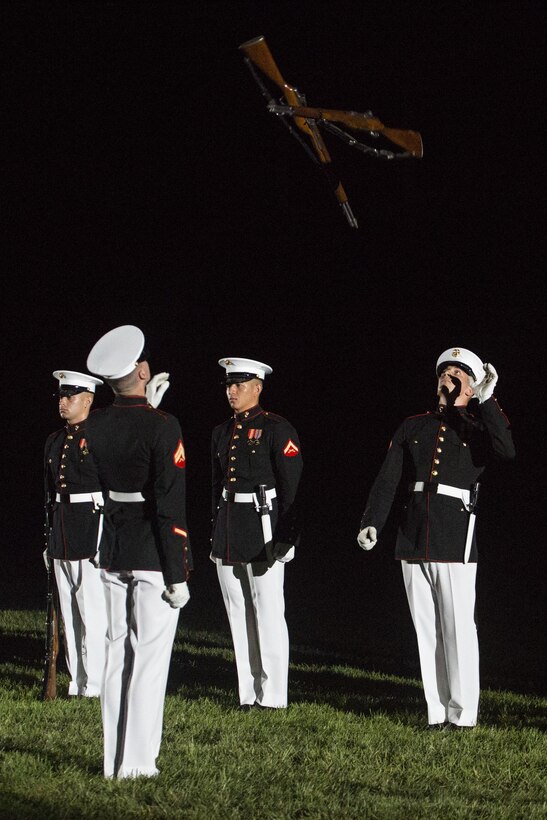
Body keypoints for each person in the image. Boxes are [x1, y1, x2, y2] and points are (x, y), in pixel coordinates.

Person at [357, 347, 515, 729]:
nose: (447, 377)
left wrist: (487, 401)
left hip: (454, 535)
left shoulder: (477, 429)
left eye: (457, 374)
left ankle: (462, 715)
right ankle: (437, 712)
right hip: (413, 534)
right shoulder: (413, 426)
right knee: (426, 631)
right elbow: (388, 477)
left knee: (457, 629)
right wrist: (372, 521)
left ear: (470, 387)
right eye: (444, 372)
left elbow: (506, 451)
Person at [85, 325, 192, 778]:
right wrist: (178, 572)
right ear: (143, 371)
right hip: (153, 552)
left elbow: (113, 469)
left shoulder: (94, 424)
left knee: (116, 655)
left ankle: (114, 761)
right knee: (148, 660)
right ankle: (137, 764)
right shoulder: (164, 426)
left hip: (114, 545)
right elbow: (168, 504)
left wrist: (148, 409)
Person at [211, 357, 303, 710]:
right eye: (229, 385)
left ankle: (273, 695)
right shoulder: (222, 432)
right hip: (229, 525)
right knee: (238, 613)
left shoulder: (277, 428)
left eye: (239, 385)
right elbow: (216, 486)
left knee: (267, 611)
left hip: (263, 525)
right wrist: (214, 532)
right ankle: (248, 693)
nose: (232, 391)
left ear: (258, 387)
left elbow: (292, 487)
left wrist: (288, 535)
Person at [44, 370, 107, 697]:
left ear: (88, 400)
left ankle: (95, 683)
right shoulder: (55, 440)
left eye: (70, 396)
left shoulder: (100, 437)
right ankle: (76, 680)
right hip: (62, 528)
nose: (63, 402)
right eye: (61, 396)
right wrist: (49, 539)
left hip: (90, 527)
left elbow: (110, 491)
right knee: (69, 613)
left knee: (92, 610)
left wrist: (106, 537)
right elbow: (49, 494)